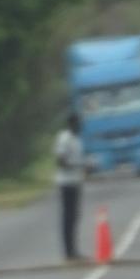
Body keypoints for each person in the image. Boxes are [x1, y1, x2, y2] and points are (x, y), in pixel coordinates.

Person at [55, 112, 86, 261]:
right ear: (72, 124)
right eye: (78, 123)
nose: (80, 126)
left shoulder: (77, 139)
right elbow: (60, 161)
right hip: (66, 182)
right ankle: (68, 251)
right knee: (68, 217)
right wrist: (77, 165)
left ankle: (74, 250)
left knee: (74, 216)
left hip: (76, 181)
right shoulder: (64, 138)